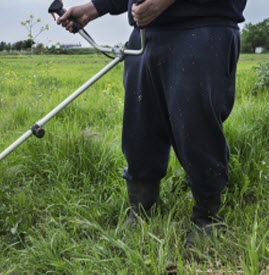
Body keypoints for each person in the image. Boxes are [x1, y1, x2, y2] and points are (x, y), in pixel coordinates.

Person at [57, 0, 247, 244]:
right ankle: (141, 206)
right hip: (146, 35)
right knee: (140, 124)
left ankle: (207, 215)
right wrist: (93, 8)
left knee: (196, 125)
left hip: (202, 24)